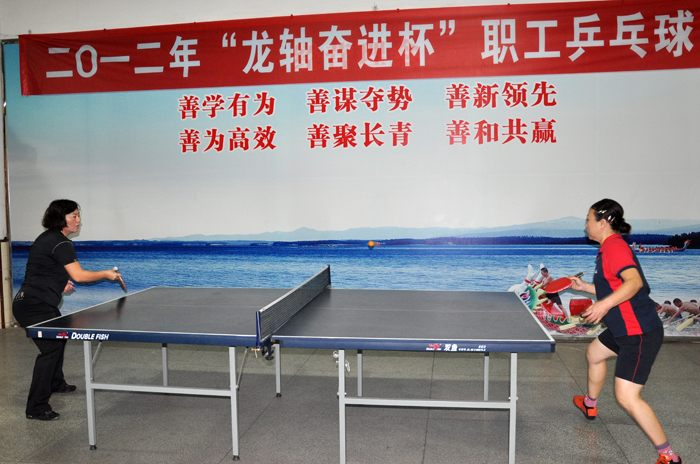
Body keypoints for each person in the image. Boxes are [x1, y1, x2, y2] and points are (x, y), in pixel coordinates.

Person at [569, 199, 682, 464]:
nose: (585, 225)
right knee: (594, 354)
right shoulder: (608, 248)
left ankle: (669, 456)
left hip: (638, 333)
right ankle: (589, 403)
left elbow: (634, 283)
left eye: (588, 220)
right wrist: (586, 288)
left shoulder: (615, 248)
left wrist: (603, 305)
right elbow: (615, 287)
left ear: (602, 222)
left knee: (627, 397)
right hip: (623, 328)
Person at [13, 199, 122, 421]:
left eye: (78, 215)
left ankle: (56, 383)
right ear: (60, 219)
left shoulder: (48, 238)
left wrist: (58, 283)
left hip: (32, 301)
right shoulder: (61, 243)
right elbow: (79, 276)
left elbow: (41, 270)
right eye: (73, 216)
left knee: (59, 338)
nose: (78, 220)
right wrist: (107, 273)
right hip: (34, 305)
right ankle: (36, 407)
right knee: (50, 350)